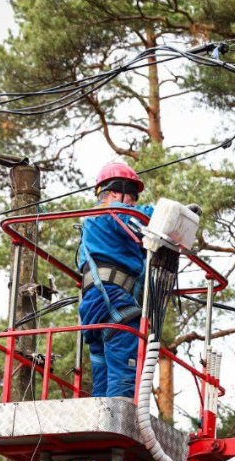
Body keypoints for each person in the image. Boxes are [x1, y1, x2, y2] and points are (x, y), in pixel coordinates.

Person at [78, 162, 154, 398]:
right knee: (124, 376)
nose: (132, 201)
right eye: (130, 195)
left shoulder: (99, 226)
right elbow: (145, 218)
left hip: (94, 306)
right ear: (113, 192)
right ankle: (119, 426)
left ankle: (99, 427)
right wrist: (174, 213)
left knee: (102, 380)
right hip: (112, 299)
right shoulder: (111, 212)